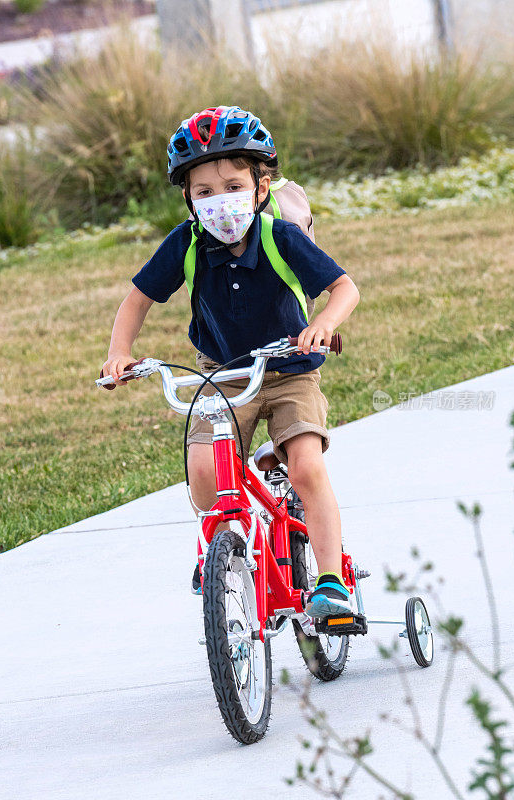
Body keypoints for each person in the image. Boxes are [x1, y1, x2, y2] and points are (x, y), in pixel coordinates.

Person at [102, 105, 360, 618]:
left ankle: (332, 582)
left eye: (233, 185)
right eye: (204, 192)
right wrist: (119, 353)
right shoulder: (186, 243)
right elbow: (137, 301)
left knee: (307, 467)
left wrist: (325, 323)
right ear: (188, 199)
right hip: (221, 375)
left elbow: (344, 289)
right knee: (203, 468)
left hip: (291, 372)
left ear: (261, 187)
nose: (220, 202)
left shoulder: (279, 237)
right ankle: (219, 551)